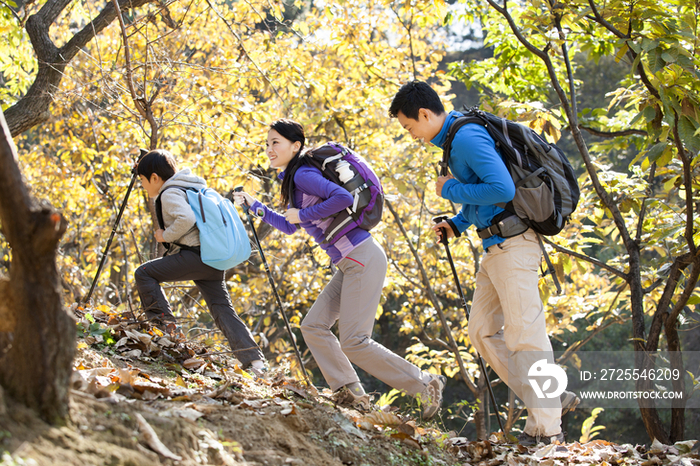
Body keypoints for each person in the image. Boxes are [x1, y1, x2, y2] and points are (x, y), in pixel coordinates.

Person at [389, 81, 579, 445]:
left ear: (425, 114)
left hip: (514, 245)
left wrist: (449, 190)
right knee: (481, 331)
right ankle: (549, 399)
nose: (410, 134)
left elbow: (503, 189)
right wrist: (458, 223)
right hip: (494, 248)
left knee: (526, 336)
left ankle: (547, 429)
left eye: (409, 126)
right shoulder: (453, 139)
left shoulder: (465, 138)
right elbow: (483, 196)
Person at [232, 119, 445, 418]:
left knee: (355, 341)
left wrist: (302, 212)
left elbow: (342, 198)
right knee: (314, 326)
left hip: (360, 256)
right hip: (350, 262)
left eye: (275, 142)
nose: (269, 149)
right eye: (267, 143)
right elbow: (291, 225)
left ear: (296, 145)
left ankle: (425, 384)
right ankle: (351, 393)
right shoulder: (295, 180)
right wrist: (256, 206)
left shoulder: (303, 174)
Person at [134, 149, 267, 377]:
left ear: (154, 177)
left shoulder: (169, 193)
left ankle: (167, 337)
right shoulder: (192, 186)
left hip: (196, 256)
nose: (144, 187)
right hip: (213, 257)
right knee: (222, 308)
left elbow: (186, 218)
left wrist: (164, 236)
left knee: (144, 273)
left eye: (143, 181)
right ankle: (255, 363)